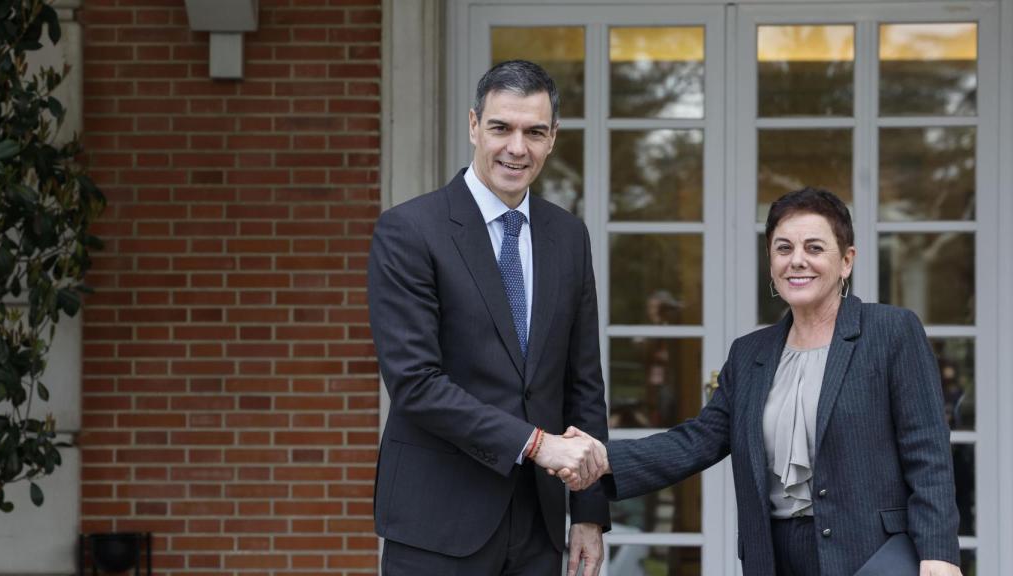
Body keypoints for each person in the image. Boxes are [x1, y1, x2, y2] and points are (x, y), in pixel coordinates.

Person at [560, 188, 962, 576]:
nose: (797, 261)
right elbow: (697, 440)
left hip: (871, 555)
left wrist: (939, 552)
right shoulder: (750, 353)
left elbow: (927, 453)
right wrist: (604, 459)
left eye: (815, 248)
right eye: (784, 248)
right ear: (771, 262)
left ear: (847, 261)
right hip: (773, 556)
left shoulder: (891, 332)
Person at [367, 60, 610, 576]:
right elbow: (415, 382)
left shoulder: (568, 237)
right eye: (502, 127)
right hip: (438, 520)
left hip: (538, 526)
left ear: (553, 138)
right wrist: (537, 445)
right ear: (474, 125)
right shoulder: (409, 230)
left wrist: (589, 512)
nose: (516, 148)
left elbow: (583, 383)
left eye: (534, 132)